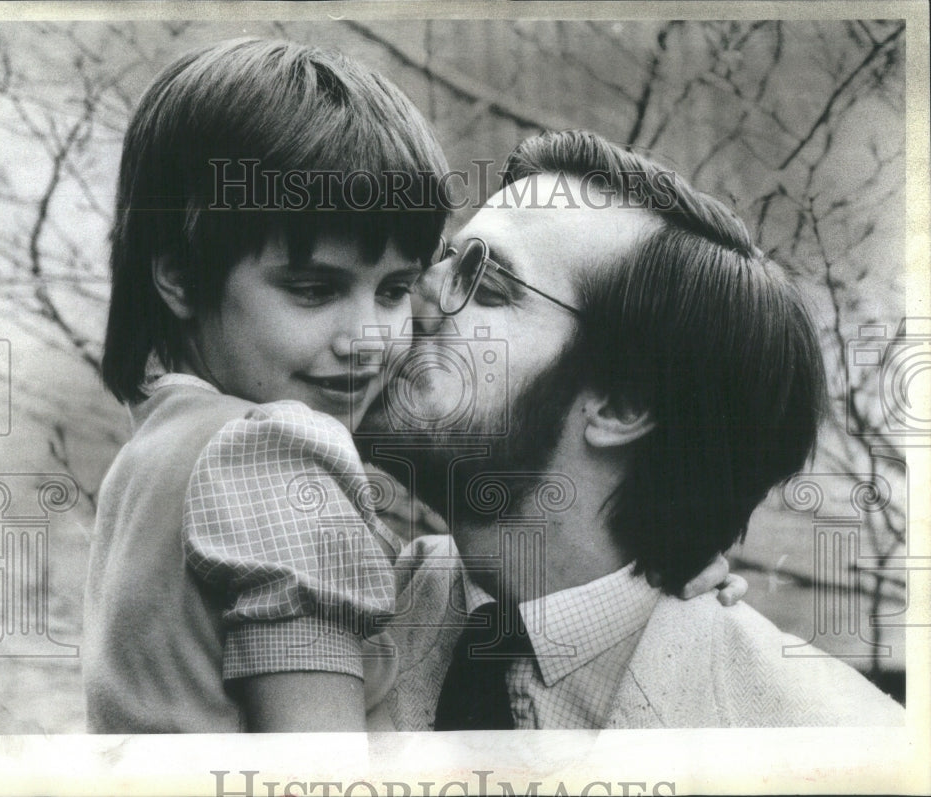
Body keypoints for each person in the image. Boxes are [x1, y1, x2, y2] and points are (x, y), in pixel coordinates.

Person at [353, 129, 906, 730]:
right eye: (444, 260)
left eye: (484, 286)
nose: (416, 290)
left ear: (620, 407)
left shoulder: (831, 743)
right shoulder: (335, 603)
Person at [83, 38, 451, 733]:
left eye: (396, 289)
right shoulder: (275, 452)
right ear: (182, 276)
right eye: (314, 289)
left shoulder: (156, 448)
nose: (369, 336)